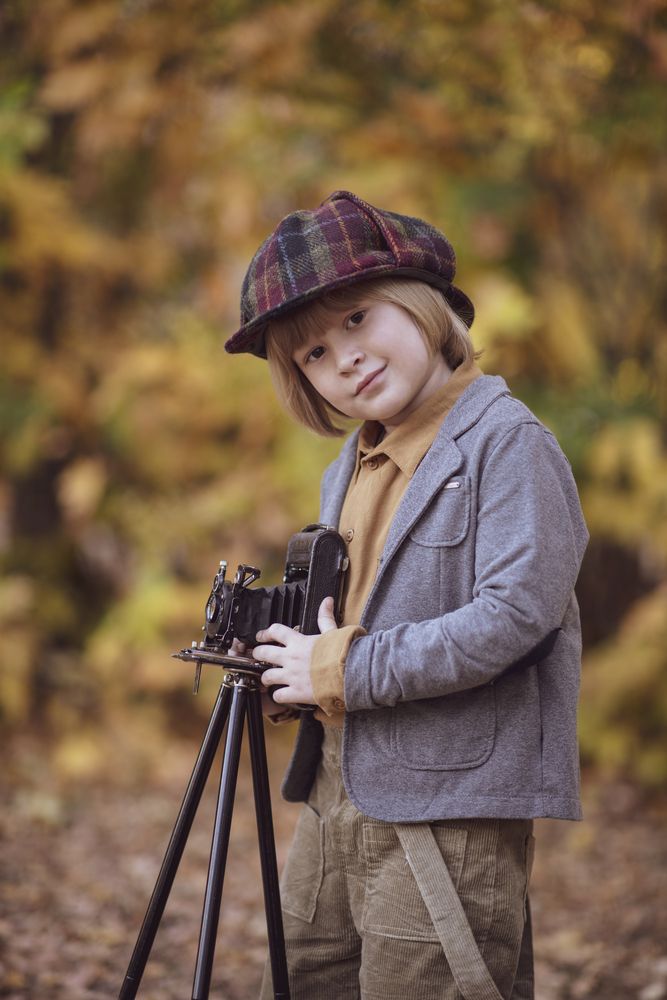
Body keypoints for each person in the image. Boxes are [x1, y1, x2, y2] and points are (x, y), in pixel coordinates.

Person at [224, 190, 589, 1000]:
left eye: (358, 318)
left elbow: (514, 619)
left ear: (422, 304)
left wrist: (341, 668)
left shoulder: (507, 444)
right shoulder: (347, 466)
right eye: (314, 354)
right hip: (334, 795)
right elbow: (347, 621)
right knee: (305, 981)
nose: (344, 358)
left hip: (448, 810)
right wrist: (288, 663)